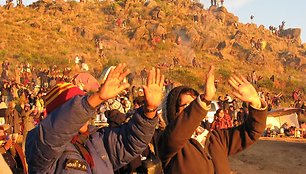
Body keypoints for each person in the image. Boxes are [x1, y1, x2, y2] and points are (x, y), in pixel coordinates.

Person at [26, 63, 165, 173]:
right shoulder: (42, 146)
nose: (86, 112)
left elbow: (130, 142)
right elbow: (55, 132)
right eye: (77, 105)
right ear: (60, 113)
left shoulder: (95, 141)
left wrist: (149, 111)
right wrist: (96, 98)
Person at [158, 65, 267, 174]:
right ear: (173, 112)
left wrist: (255, 102)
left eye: (194, 103)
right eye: (186, 106)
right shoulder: (168, 143)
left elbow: (251, 132)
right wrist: (205, 100)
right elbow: (176, 136)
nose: (192, 109)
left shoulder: (216, 139)